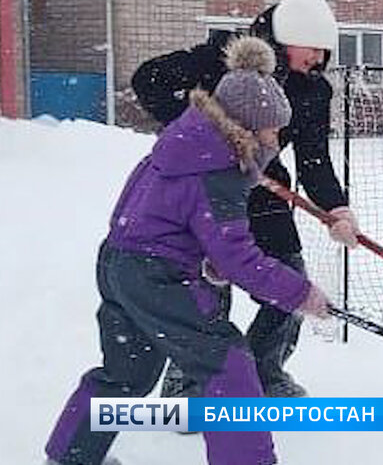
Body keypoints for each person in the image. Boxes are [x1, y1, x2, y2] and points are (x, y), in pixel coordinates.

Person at [45, 37, 332, 465]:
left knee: (127, 374)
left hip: (119, 263)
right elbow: (242, 259)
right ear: (249, 127)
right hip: (158, 278)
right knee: (229, 369)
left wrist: (203, 258)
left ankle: (72, 456)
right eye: (272, 129)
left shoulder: (184, 144)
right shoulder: (220, 170)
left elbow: (152, 215)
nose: (276, 139)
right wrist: (300, 294)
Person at [131, 0, 360, 398]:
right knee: (206, 291)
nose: (319, 59)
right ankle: (193, 383)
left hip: (266, 195)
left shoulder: (313, 90)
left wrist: (337, 210)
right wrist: (199, 135)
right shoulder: (223, 61)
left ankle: (261, 375)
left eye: (325, 51)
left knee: (291, 284)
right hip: (206, 191)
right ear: (286, 38)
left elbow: (314, 158)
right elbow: (148, 79)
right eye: (313, 48)